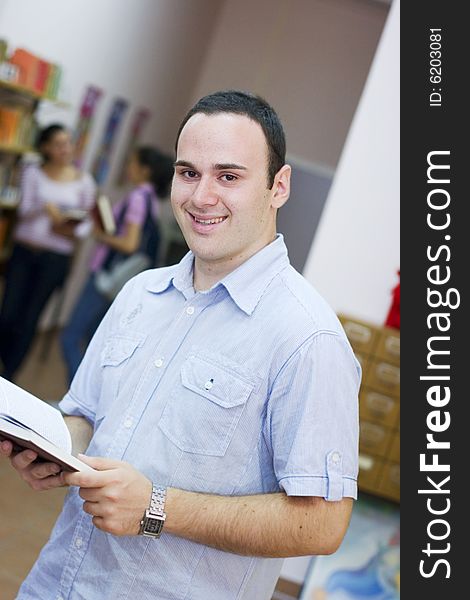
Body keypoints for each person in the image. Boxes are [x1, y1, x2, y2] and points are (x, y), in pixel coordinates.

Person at [1, 90, 360, 600]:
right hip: (57, 583)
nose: (201, 196)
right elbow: (84, 417)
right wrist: (51, 447)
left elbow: (324, 523)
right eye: (188, 172)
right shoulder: (140, 294)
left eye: (229, 176)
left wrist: (155, 507)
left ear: (279, 187)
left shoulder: (307, 337)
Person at [60, 145, 174, 383]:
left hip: (106, 278)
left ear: (145, 170)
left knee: (70, 338)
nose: (128, 168)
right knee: (94, 340)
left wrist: (99, 234)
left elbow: (130, 244)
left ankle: (78, 395)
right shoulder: (152, 200)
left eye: (132, 163)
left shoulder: (138, 197)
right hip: (120, 281)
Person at [0, 124, 96, 381]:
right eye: (58, 144)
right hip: (25, 252)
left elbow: (87, 224)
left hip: (56, 259)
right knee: (8, 312)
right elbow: (23, 212)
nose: (65, 149)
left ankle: (9, 375)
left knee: (30, 318)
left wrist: (69, 226)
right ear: (45, 148)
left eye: (68, 142)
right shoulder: (33, 173)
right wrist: (47, 208)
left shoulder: (84, 181)